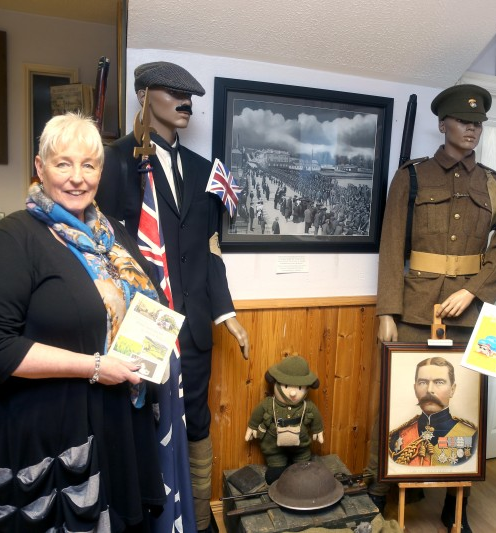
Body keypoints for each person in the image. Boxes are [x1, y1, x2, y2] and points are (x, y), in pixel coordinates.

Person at [0, 113, 166, 531]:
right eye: (63, 163)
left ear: (101, 172)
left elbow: (150, 300)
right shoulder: (14, 238)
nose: (77, 178)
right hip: (47, 437)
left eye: (88, 165)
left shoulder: (114, 235)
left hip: (116, 423)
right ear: (40, 167)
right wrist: (93, 366)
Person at [95, 61, 250, 533]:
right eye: (174, 93)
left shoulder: (206, 171)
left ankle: (200, 520)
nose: (186, 103)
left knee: (197, 426)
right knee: (145, 428)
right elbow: (107, 247)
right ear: (145, 95)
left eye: (191, 96)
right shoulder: (116, 162)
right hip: (144, 324)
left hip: (196, 327)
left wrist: (227, 314)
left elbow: (210, 249)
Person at [371, 83, 496, 531]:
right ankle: (389, 489)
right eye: (462, 122)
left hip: (471, 315)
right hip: (416, 311)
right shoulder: (412, 176)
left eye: (478, 123)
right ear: (443, 125)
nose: (471, 130)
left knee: (466, 407)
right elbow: (391, 244)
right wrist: (386, 311)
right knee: (402, 402)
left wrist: (474, 291)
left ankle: (457, 503)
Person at [245, 355, 324, 484]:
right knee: (275, 473)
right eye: (287, 386)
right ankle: (277, 465)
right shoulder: (268, 404)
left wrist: (317, 430)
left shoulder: (307, 406)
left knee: (304, 469)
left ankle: (301, 463)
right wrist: (252, 426)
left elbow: (316, 417)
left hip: (301, 446)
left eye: (299, 388)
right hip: (274, 445)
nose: (293, 394)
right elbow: (257, 414)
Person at [388, 357, 476, 466]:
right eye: (422, 382)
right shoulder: (397, 436)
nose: (429, 390)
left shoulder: (471, 436)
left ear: (452, 390)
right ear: (415, 389)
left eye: (439, 382)